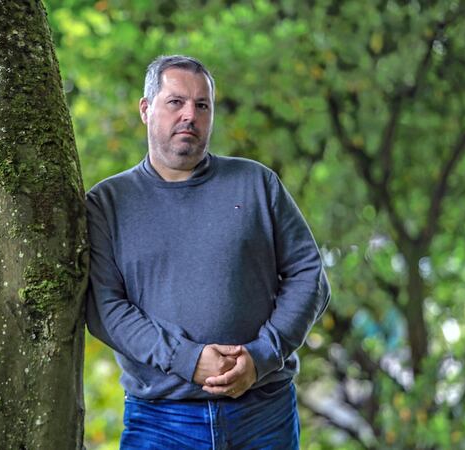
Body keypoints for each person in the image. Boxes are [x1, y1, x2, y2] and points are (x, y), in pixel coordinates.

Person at [85, 54, 331, 449]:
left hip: (263, 413)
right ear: (146, 109)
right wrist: (186, 359)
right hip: (160, 421)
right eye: (176, 102)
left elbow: (309, 276)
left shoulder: (256, 184)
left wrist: (260, 357)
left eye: (202, 105)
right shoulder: (107, 203)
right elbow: (106, 308)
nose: (190, 115)